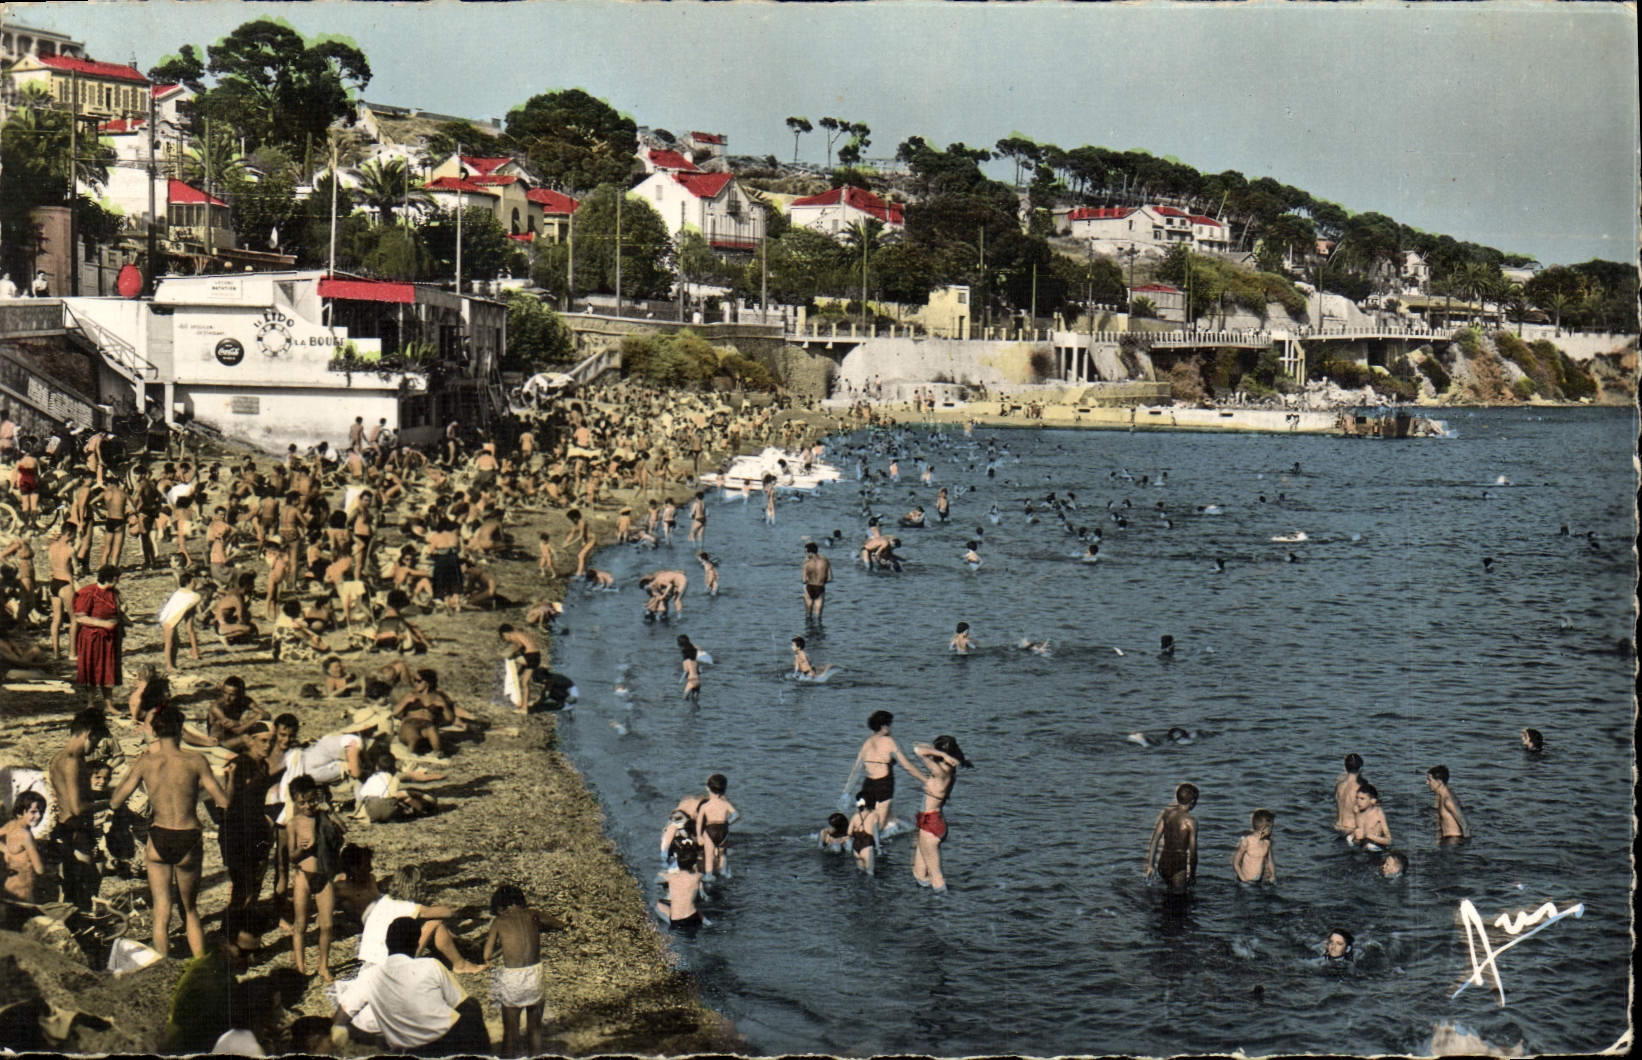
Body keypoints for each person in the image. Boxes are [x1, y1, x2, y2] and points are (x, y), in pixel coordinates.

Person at [109, 705, 231, 958]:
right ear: (180, 730)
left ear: (154, 730)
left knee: (161, 911)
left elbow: (116, 800)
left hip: (159, 836)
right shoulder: (196, 760)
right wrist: (230, 779)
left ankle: (162, 968)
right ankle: (200, 967)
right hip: (188, 835)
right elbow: (223, 801)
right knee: (190, 910)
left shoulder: (146, 762)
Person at [332, 916, 491, 1055]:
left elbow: (342, 1015)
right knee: (472, 1006)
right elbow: (461, 1003)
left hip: (406, 1046)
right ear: (416, 945)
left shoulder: (371, 975)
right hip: (439, 1041)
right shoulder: (432, 965)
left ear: (387, 943)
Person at [482, 884, 566, 1057]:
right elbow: (559, 924)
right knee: (535, 1030)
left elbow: (487, 955)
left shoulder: (499, 921)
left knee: (511, 1033)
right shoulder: (533, 914)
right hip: (535, 974)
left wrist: (501, 949)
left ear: (500, 905)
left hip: (513, 977)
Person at [285, 774, 343, 979]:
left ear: (317, 797)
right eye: (302, 802)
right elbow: (291, 856)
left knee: (327, 925)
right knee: (300, 925)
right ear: (295, 802)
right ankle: (301, 969)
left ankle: (323, 966)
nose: (308, 806)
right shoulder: (293, 824)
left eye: (311, 800)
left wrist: (332, 811)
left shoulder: (323, 818)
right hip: (303, 878)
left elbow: (342, 831)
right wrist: (302, 851)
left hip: (323, 876)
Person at [905, 736, 969, 891]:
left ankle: (943, 908)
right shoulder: (948, 770)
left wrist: (943, 755)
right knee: (919, 874)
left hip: (931, 824)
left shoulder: (940, 772)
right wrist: (942, 753)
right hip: (930, 821)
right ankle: (927, 907)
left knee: (935, 876)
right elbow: (915, 742)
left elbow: (917, 750)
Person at [846, 710, 920, 835]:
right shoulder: (889, 741)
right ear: (884, 726)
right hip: (884, 783)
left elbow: (856, 769)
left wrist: (846, 792)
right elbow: (908, 766)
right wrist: (926, 779)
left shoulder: (867, 742)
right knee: (878, 826)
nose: (891, 728)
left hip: (868, 784)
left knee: (862, 819)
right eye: (890, 724)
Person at [72, 565, 125, 711]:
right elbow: (80, 618)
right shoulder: (89, 592)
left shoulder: (114, 593)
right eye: (117, 579)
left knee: (109, 669)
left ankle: (108, 703)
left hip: (110, 638)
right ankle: (91, 703)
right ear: (112, 578)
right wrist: (102, 624)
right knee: (92, 668)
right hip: (93, 637)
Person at [1144, 782, 1199, 895]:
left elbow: (1154, 840)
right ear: (1192, 802)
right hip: (1178, 864)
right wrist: (1192, 875)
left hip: (1163, 862)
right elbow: (1193, 853)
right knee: (1179, 901)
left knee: (1167, 895)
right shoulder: (1191, 822)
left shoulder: (1167, 815)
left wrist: (1150, 865)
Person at [1, 791, 47, 902]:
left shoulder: (10, 826)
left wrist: (6, 850)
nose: (39, 816)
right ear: (20, 812)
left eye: (41, 812)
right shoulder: (25, 835)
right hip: (24, 891)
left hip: (9, 886)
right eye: (33, 812)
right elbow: (39, 869)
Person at [156, 570, 204, 674]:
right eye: (193, 581)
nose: (195, 583)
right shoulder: (194, 596)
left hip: (166, 617)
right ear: (189, 582)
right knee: (169, 643)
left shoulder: (178, 592)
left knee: (175, 643)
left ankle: (173, 664)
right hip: (169, 619)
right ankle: (169, 666)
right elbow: (182, 608)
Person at [693, 773, 738, 879]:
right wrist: (728, 822)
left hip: (710, 830)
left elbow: (699, 822)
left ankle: (709, 875)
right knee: (723, 854)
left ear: (708, 788)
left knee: (709, 854)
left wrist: (699, 836)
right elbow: (736, 814)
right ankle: (724, 871)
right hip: (723, 830)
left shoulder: (705, 805)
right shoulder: (725, 804)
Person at [655, 841, 705, 936]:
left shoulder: (671, 877)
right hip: (693, 917)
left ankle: (669, 924)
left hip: (678, 921)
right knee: (693, 906)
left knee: (658, 905)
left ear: (677, 863)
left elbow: (656, 880)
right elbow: (700, 877)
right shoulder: (698, 877)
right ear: (694, 864)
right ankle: (705, 921)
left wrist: (664, 872)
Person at [1426, 765, 1470, 842]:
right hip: (1446, 839)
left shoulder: (1448, 800)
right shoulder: (1439, 797)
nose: (1427, 783)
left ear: (1439, 782)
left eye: (1429, 780)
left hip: (1454, 841)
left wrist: (1467, 841)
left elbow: (1463, 821)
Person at [1231, 808, 1276, 883]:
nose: (1272, 830)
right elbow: (1235, 862)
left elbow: (1269, 861)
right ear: (1264, 828)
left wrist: (1272, 875)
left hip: (1258, 880)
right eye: (1271, 828)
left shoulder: (1267, 843)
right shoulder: (1248, 841)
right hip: (1244, 880)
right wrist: (1242, 878)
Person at [1349, 782, 1392, 850]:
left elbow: (1389, 840)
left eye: (1362, 799)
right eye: (1357, 798)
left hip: (1375, 847)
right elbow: (1358, 829)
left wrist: (1367, 835)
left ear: (1372, 801)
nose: (1358, 801)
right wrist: (1352, 836)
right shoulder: (1357, 810)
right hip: (1361, 845)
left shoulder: (1378, 815)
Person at [846, 793, 878, 874]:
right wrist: (878, 848)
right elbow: (876, 834)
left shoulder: (854, 816)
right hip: (867, 846)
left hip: (856, 847)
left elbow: (849, 832)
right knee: (870, 873)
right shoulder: (874, 815)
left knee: (860, 872)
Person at [1333, 753, 1364, 836]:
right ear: (1360, 769)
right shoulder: (1361, 790)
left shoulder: (1339, 785)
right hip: (1351, 829)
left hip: (1337, 827)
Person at [801, 541, 832, 619]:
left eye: (806, 552)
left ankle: (808, 629)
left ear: (809, 552)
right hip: (820, 587)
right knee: (818, 617)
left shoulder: (806, 563)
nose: (806, 554)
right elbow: (830, 577)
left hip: (809, 587)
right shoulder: (825, 561)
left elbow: (804, 580)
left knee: (808, 615)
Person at [680, 639, 701, 704]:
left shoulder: (685, 662)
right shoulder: (695, 662)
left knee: (684, 698)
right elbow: (700, 671)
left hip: (691, 681)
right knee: (695, 700)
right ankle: (696, 712)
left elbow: (685, 672)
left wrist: (680, 681)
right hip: (698, 682)